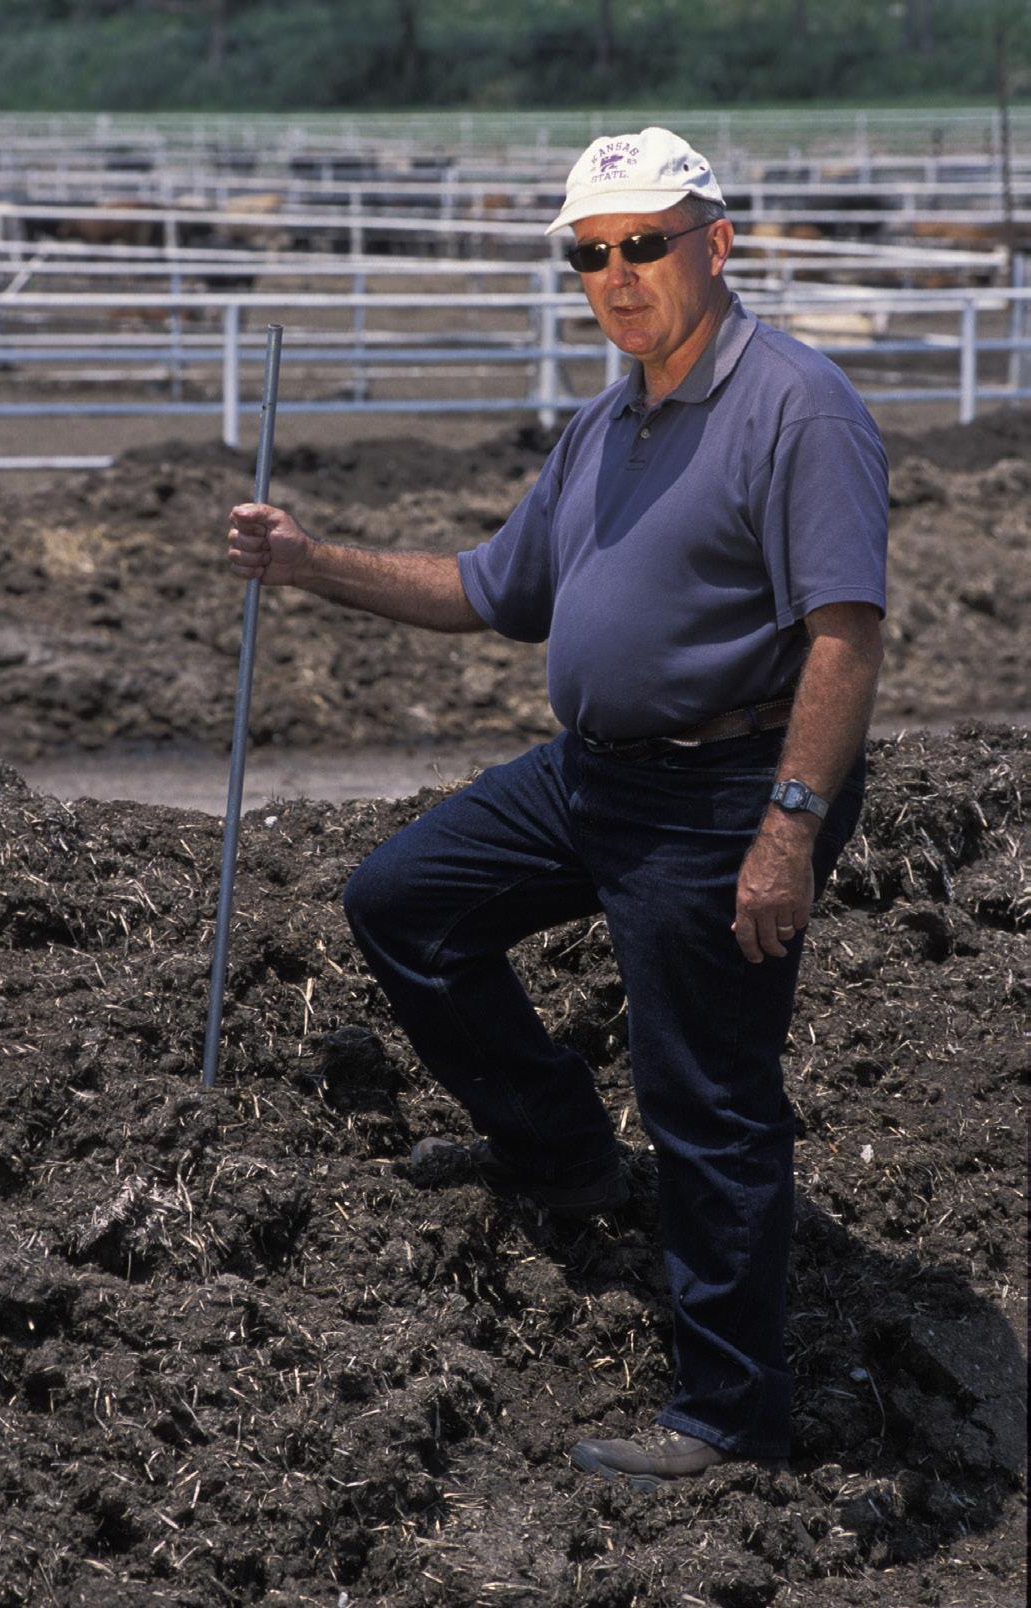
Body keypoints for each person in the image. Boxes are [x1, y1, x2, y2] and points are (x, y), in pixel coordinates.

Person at [226, 126, 887, 1486]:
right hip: (595, 774)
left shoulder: (794, 405)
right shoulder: (610, 420)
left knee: (708, 1098)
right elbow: (490, 590)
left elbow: (844, 635)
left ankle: (732, 1417)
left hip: (723, 791)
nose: (617, 272)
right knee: (402, 901)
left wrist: (791, 825)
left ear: (716, 241)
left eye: (645, 243)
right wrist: (307, 565)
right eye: (592, 253)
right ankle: (561, 1150)